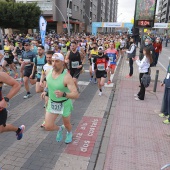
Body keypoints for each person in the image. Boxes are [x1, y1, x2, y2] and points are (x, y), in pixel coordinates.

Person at [41, 53, 79, 144]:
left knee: (67, 124)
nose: (54, 63)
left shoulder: (66, 77)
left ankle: (69, 133)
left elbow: (76, 94)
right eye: (53, 61)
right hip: (53, 102)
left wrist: (64, 94)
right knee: (48, 126)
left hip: (64, 103)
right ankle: (59, 128)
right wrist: (45, 90)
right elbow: (48, 82)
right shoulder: (48, 71)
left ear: (62, 62)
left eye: (56, 61)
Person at [0, 72, 25, 140]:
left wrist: (5, 100)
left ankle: (18, 130)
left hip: (0, 109)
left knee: (1, 129)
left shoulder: (1, 75)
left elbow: (16, 85)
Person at [40, 50, 54, 128]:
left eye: (50, 57)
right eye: (47, 57)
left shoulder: (56, 65)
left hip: (55, 88)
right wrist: (41, 81)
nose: (48, 59)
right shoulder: (44, 66)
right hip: (47, 88)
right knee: (46, 104)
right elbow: (43, 74)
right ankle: (46, 120)